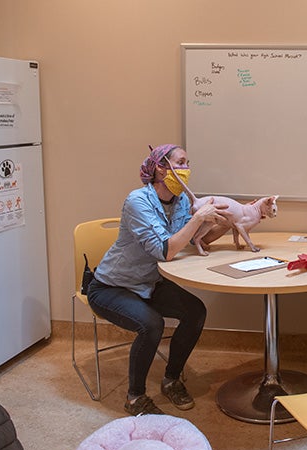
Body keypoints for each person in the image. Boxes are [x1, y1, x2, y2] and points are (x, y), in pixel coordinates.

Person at [87, 144, 230, 416]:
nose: (187, 169)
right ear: (161, 169)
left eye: (189, 163)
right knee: (151, 324)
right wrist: (198, 217)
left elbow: (193, 241)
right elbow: (166, 251)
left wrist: (222, 223)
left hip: (149, 283)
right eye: (181, 163)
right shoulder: (137, 201)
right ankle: (135, 397)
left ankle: (172, 379)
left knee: (195, 311)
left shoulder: (181, 203)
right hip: (111, 286)